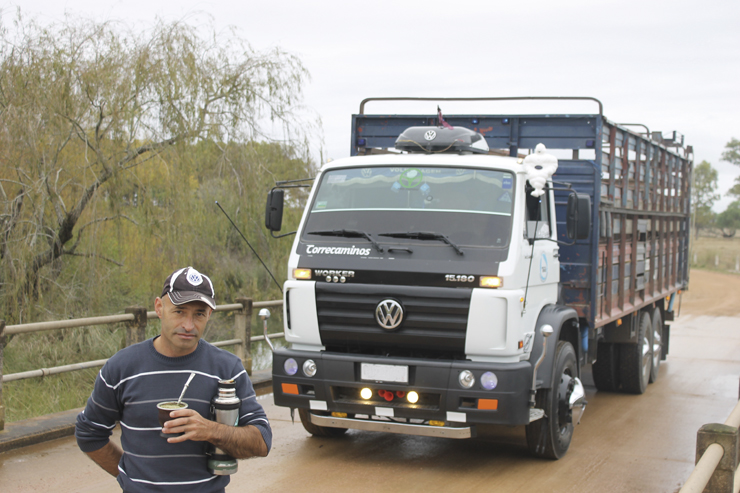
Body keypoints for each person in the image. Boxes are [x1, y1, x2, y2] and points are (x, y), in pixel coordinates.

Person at [75, 266, 271, 492]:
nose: (189, 325)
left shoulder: (227, 369)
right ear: (159, 307)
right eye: (179, 311)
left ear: (209, 314)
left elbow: (262, 440)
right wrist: (127, 476)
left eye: (199, 313)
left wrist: (211, 430)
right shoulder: (122, 368)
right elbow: (89, 434)